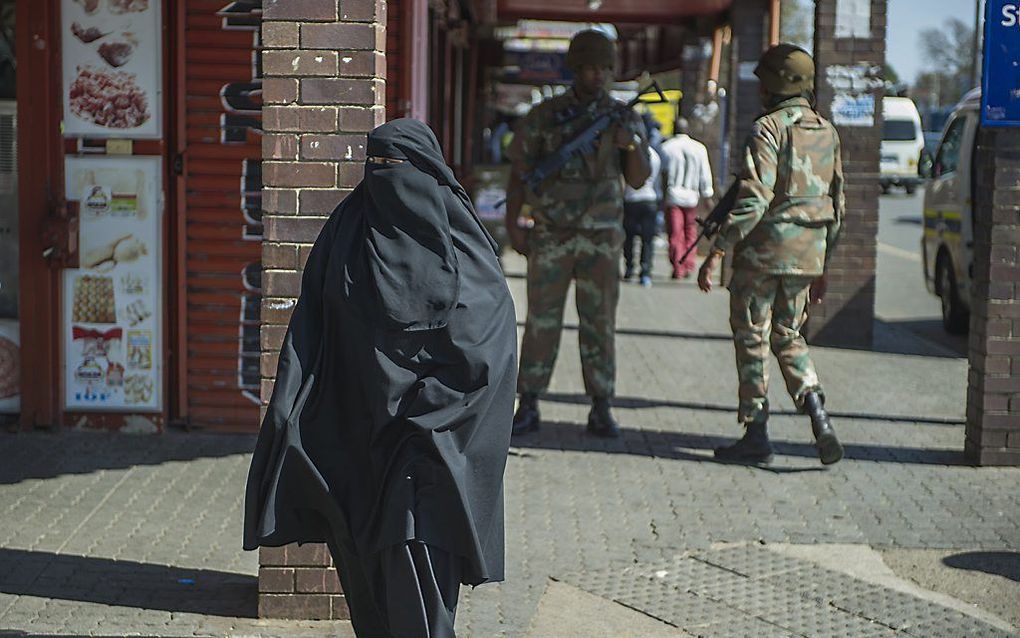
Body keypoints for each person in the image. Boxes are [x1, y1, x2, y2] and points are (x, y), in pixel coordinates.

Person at [243, 119, 518, 637]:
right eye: (377, 169)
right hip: (359, 443)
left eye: (398, 169)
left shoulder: (466, 250)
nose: (387, 181)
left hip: (434, 446)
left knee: (420, 589)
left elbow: (489, 348)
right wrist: (290, 413)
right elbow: (313, 331)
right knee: (370, 599)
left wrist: (431, 418)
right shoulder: (348, 233)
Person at [698, 43, 845, 466]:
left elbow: (755, 198)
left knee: (752, 337)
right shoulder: (827, 132)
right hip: (808, 253)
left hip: (763, 254)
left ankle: (756, 432)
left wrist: (717, 250)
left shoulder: (768, 129)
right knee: (789, 336)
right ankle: (817, 413)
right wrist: (823, 263)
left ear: (773, 86)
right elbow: (839, 202)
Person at [504, 29, 650, 439]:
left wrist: (630, 146)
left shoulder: (625, 117)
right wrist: (514, 224)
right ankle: (529, 402)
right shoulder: (545, 116)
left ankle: (601, 406)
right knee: (541, 322)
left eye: (604, 68)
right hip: (551, 233)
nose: (597, 75)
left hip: (602, 238)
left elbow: (639, 180)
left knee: (599, 322)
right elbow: (518, 172)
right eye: (589, 67)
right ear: (575, 68)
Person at [661, 116, 714, 279]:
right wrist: (707, 195)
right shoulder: (699, 148)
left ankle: (678, 266)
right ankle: (689, 264)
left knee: (676, 233)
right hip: (692, 196)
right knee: (690, 231)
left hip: (673, 197)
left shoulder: (666, 147)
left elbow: (662, 174)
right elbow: (705, 174)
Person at [622, 141, 662, 286]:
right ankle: (645, 272)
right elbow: (657, 181)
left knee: (629, 237)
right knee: (647, 239)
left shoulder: (628, 152)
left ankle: (629, 268)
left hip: (630, 199)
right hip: (649, 199)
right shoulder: (655, 156)